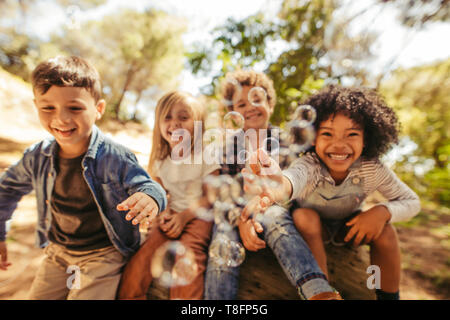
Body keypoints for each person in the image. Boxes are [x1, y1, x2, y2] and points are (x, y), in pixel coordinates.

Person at [0, 56, 167, 299]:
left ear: (98, 109)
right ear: (36, 106)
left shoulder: (115, 156)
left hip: (103, 255)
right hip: (58, 252)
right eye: (48, 108)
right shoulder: (37, 156)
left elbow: (150, 187)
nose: (61, 119)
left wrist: (149, 198)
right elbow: (7, 189)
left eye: (75, 108)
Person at [242, 85, 421, 300]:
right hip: (314, 228)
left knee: (386, 230)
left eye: (352, 134)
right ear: (313, 138)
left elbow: (412, 201)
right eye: (327, 133)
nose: (339, 145)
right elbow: (291, 181)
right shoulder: (310, 165)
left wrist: (382, 211)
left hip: (350, 227)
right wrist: (275, 183)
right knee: (304, 216)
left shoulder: (371, 168)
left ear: (367, 139)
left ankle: (389, 297)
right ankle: (322, 293)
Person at [204, 69, 342, 300]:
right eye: (241, 104)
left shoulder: (285, 142)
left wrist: (263, 204)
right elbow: (224, 195)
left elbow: (291, 188)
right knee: (222, 244)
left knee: (276, 219)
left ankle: (319, 293)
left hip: (272, 208)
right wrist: (242, 219)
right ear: (232, 113)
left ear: (269, 103)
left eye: (256, 100)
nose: (249, 107)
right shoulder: (229, 148)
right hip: (234, 215)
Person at [117, 91, 221, 300]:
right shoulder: (160, 161)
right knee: (147, 251)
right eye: (167, 117)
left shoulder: (206, 154)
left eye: (183, 117)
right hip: (172, 213)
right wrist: (162, 212)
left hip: (200, 214)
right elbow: (160, 193)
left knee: (190, 254)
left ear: (198, 124)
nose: (174, 124)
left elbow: (211, 197)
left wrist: (184, 218)